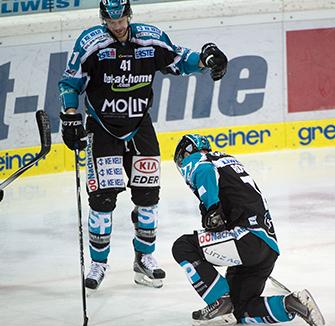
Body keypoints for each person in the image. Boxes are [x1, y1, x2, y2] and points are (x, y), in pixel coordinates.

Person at [58, 0, 227, 289]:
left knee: (148, 196)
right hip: (102, 128)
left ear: (129, 15)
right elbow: (69, 84)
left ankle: (144, 258)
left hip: (139, 126)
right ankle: (98, 263)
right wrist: (70, 117)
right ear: (103, 20)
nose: (118, 27)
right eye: (112, 22)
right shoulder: (89, 43)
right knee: (102, 200)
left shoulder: (149, 37)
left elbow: (179, 60)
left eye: (122, 19)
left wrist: (207, 58)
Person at [172, 134, 325, 326]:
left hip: (246, 238)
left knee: (183, 247)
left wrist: (212, 211)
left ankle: (219, 301)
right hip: (267, 247)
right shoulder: (227, 162)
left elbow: (203, 170)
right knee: (240, 309)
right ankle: (291, 304)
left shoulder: (202, 160)